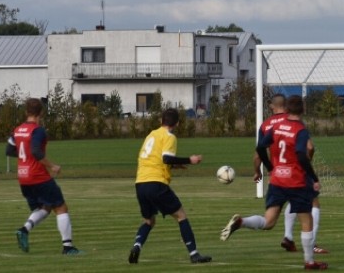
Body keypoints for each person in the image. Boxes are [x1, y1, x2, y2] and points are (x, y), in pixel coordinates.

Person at [220, 94, 328, 270]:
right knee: (306, 220)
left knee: (268, 221)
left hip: (277, 180)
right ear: (303, 109)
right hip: (296, 181)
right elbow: (304, 152)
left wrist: (270, 167)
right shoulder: (300, 129)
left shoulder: (276, 126)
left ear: (287, 109)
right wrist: (313, 178)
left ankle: (242, 222)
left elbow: (260, 147)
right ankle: (309, 261)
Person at [128, 107, 211, 264]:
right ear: (177, 123)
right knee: (181, 216)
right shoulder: (169, 137)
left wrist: (174, 166)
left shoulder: (151, 135)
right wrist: (189, 160)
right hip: (156, 183)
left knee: (149, 221)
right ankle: (194, 254)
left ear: (161, 121)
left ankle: (137, 246)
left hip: (140, 183)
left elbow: (154, 159)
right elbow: (166, 158)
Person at [6, 97, 83, 255]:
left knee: (45, 207)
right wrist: (52, 165)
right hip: (37, 175)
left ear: (27, 112)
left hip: (23, 176)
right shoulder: (37, 130)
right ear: (41, 112)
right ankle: (68, 247)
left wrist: (24, 157)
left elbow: (9, 150)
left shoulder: (18, 129)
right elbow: (35, 151)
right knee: (61, 206)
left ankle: (24, 230)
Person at [254, 94, 328, 256]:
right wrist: (310, 168)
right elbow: (309, 147)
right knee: (313, 203)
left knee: (272, 216)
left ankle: (288, 236)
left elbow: (258, 151)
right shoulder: (295, 124)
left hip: (277, 175)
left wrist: (262, 169)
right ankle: (311, 245)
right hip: (295, 172)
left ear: (273, 107)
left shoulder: (266, 125)